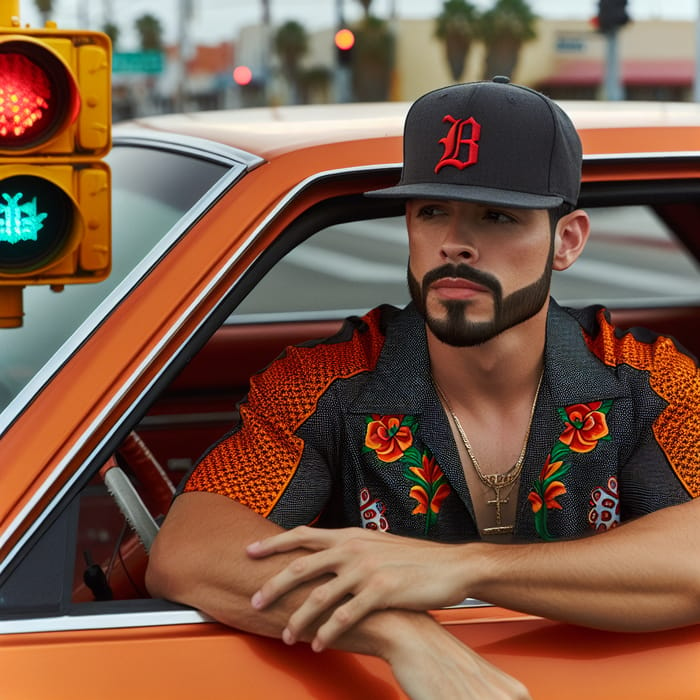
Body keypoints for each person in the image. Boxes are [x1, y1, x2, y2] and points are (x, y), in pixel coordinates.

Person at [146, 78, 700, 699]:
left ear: (565, 241)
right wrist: (401, 633)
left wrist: (463, 567)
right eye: (432, 210)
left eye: (497, 216)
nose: (453, 244)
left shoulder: (643, 378)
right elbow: (188, 548)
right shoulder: (328, 383)